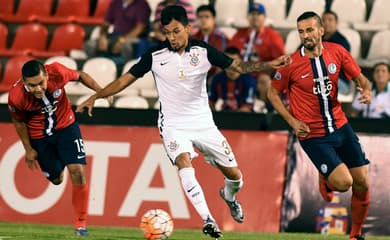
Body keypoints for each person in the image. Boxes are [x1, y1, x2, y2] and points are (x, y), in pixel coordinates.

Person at [76, 6, 290, 239]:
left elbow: (237, 67)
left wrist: (269, 64)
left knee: (236, 176)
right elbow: (125, 80)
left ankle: (229, 196)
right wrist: (96, 96)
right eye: (167, 33)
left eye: (176, 31)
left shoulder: (203, 51)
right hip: (173, 124)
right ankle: (208, 219)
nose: (172, 37)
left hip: (203, 123)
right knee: (183, 162)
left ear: (188, 28)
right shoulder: (155, 55)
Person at [267, 11, 372, 240]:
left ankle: (355, 235)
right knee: (344, 183)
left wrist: (366, 89)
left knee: (362, 181)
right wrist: (293, 122)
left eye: (310, 30)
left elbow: (360, 78)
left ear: (321, 30)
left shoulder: (337, 52)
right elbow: (272, 93)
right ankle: (325, 175)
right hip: (312, 134)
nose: (306, 35)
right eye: (301, 31)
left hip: (340, 125)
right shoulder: (290, 63)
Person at [7, 60, 111, 237]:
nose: (38, 89)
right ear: (24, 82)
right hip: (39, 136)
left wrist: (100, 92)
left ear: (47, 76)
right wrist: (28, 149)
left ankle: (80, 224)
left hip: (66, 127)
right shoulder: (16, 97)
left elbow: (81, 75)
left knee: (77, 170)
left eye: (41, 83)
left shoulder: (58, 72)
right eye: (32, 85)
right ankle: (61, 159)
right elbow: (18, 120)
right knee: (56, 179)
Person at [228, 2, 285, 86]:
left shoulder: (273, 36)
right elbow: (228, 54)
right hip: (238, 73)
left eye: (258, 14)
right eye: (252, 14)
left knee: (264, 80)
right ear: (247, 17)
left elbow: (280, 61)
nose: (255, 17)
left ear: (265, 17)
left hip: (259, 75)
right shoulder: (239, 34)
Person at [84, 0, 151, 64]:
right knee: (90, 44)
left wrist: (122, 40)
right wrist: (103, 36)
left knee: (126, 46)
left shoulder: (142, 4)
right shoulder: (115, 3)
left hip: (135, 39)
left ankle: (126, 71)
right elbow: (105, 24)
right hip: (115, 36)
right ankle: (94, 69)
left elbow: (140, 29)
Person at [208, 46, 257, 112]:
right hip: (221, 117)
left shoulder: (249, 80)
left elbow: (247, 107)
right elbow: (209, 103)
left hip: (243, 119)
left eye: (234, 60)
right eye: (226, 60)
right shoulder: (216, 79)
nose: (230, 64)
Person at [322, 10, 352, 95]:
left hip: (339, 81)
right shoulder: (315, 39)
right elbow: (300, 53)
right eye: (323, 20)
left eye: (330, 20)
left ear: (336, 23)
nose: (326, 23)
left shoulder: (342, 43)